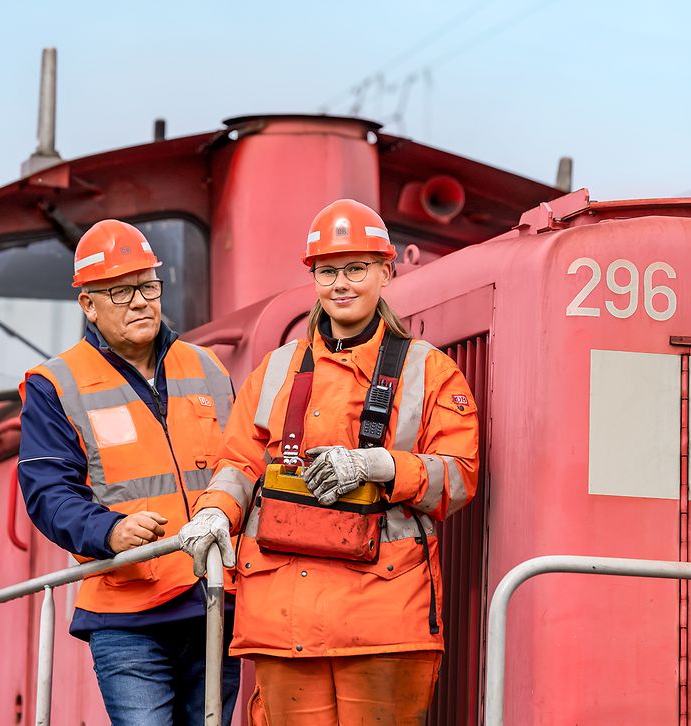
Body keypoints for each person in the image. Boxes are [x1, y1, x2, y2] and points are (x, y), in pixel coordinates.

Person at [179, 199, 479, 724]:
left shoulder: (429, 371)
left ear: (386, 271)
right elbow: (239, 464)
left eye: (356, 269)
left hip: (383, 619)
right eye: (327, 271)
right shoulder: (274, 371)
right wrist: (214, 511)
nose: (341, 283)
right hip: (283, 618)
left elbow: (459, 475)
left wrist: (380, 466)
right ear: (313, 278)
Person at [18, 219, 241, 726]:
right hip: (127, 614)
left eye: (147, 286)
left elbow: (240, 465)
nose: (140, 301)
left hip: (213, 604)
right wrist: (111, 530)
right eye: (120, 292)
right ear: (88, 305)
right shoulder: (56, 384)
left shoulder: (208, 368)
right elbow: (48, 492)